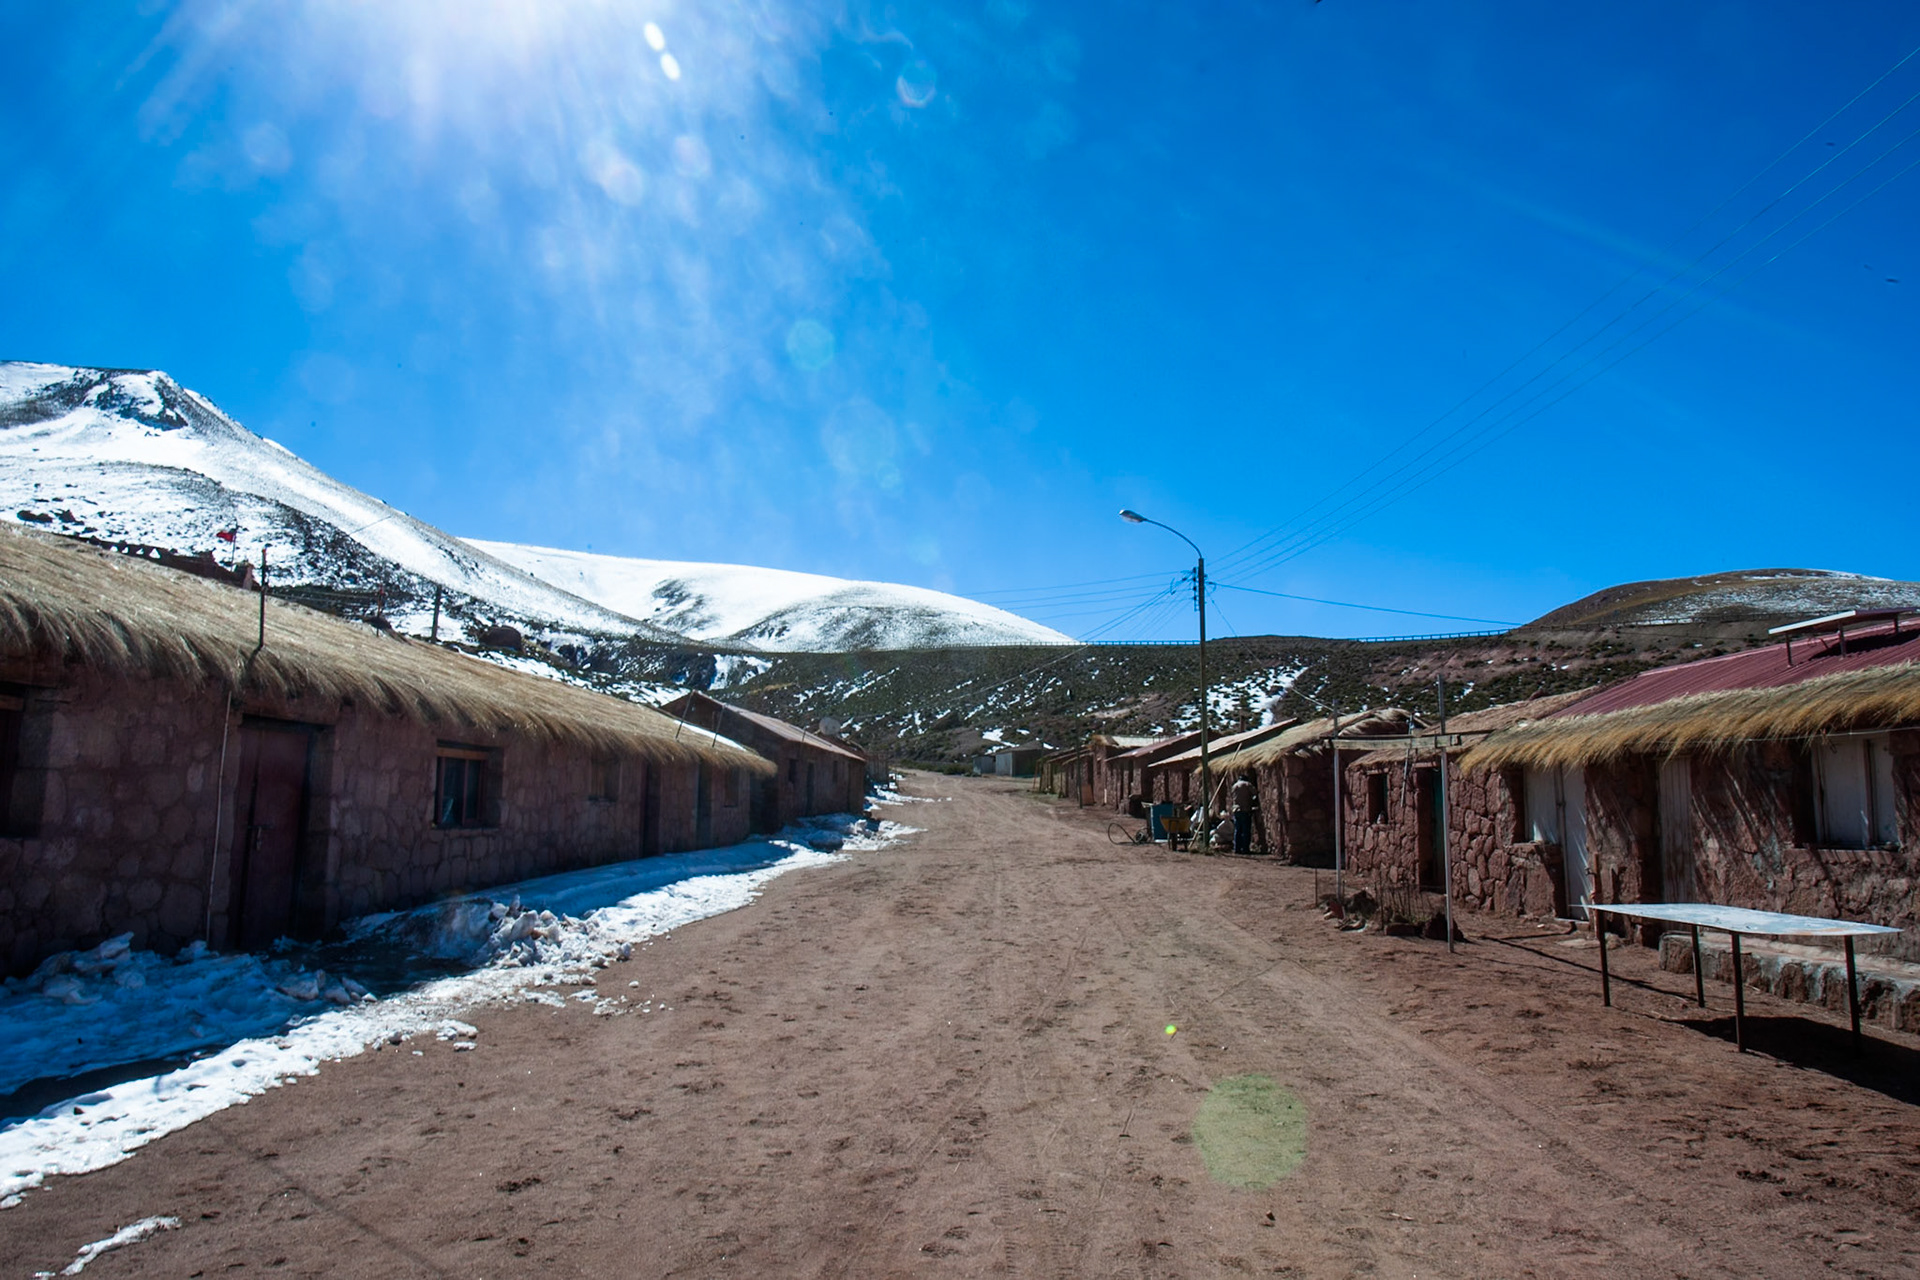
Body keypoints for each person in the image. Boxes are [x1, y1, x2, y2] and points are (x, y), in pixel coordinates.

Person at [1230, 770, 1257, 855]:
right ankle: (1245, 849)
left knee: (1238, 830)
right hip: (1245, 810)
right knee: (1246, 830)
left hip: (1236, 810)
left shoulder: (1234, 786)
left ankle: (1237, 848)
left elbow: (1233, 796)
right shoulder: (1247, 784)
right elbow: (1255, 793)